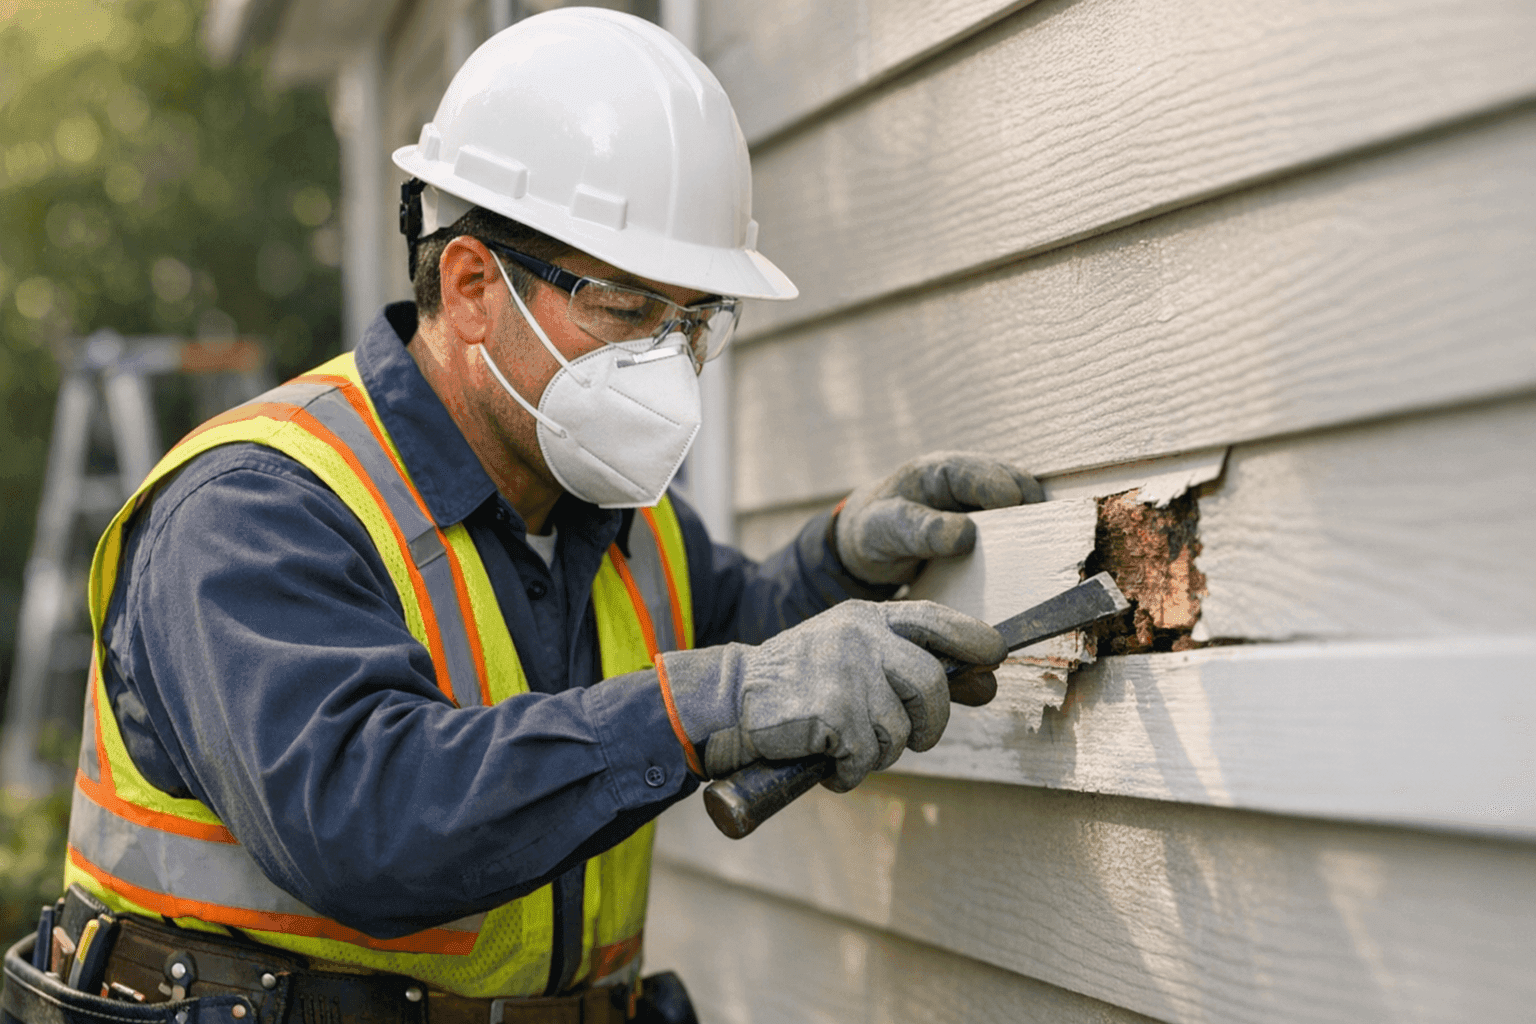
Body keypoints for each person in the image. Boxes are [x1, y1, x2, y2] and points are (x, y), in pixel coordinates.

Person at [3, 9, 1042, 1024]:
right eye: (627, 310)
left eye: (693, 324)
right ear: (469, 287)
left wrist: (840, 562)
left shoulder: (611, 511)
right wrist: (702, 707)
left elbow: (743, 641)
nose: (667, 369)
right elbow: (365, 815)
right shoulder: (257, 508)